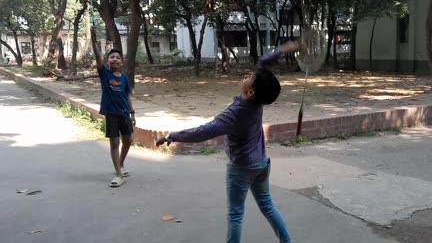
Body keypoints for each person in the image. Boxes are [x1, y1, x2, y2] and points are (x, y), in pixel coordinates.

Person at [156, 41, 301, 243]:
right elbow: (262, 65)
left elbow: (202, 132)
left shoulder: (234, 114)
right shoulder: (258, 100)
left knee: (235, 213)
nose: (247, 76)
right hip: (261, 164)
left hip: (242, 168)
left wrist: (172, 136)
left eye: (249, 77)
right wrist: (283, 50)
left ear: (251, 91)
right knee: (267, 205)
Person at [91, 27, 136, 188]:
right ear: (108, 61)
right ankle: (118, 174)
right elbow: (97, 56)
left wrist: (132, 113)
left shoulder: (124, 78)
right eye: (112, 57)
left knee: (128, 140)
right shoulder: (105, 74)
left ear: (122, 62)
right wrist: (94, 39)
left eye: (118, 57)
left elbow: (127, 96)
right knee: (114, 143)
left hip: (124, 113)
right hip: (111, 114)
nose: (115, 59)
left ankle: (121, 164)